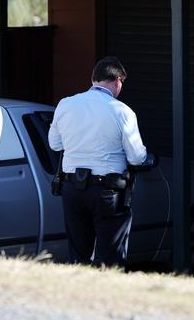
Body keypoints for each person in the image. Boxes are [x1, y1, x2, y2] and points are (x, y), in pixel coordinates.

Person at [48, 56, 147, 268]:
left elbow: (55, 144)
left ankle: (80, 297)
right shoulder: (122, 111)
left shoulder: (66, 104)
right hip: (107, 191)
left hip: (72, 189)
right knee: (110, 257)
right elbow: (137, 157)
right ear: (118, 80)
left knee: (78, 256)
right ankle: (106, 297)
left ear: (93, 79)